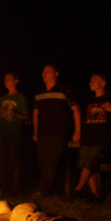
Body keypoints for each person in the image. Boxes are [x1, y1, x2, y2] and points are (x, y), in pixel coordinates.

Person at [32, 64, 80, 196]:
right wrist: (35, 132)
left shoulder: (64, 90)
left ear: (56, 74)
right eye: (43, 71)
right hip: (43, 132)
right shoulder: (39, 92)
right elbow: (36, 113)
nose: (44, 74)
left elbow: (75, 109)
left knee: (53, 160)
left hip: (58, 131)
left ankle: (43, 189)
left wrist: (77, 131)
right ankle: (54, 189)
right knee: (43, 160)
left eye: (48, 71)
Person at [73, 74, 111, 200]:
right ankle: (95, 195)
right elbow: (84, 117)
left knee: (90, 163)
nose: (90, 83)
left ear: (102, 84)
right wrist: (79, 132)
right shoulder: (89, 100)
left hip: (101, 137)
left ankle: (78, 189)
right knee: (88, 165)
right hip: (88, 136)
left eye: (93, 81)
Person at [0, 73, 29, 194]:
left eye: (9, 79)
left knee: (14, 158)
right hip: (1, 133)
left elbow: (26, 116)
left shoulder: (20, 98)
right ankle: (3, 185)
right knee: (1, 159)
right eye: (5, 79)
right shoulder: (2, 98)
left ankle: (16, 185)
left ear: (16, 81)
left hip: (14, 133)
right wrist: (0, 112)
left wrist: (15, 115)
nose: (6, 81)